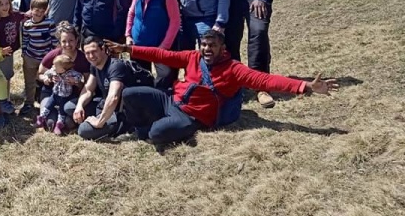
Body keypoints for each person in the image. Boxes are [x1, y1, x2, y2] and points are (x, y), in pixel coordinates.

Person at [105, 30, 337, 150]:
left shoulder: (234, 69)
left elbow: (265, 80)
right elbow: (162, 55)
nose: (207, 49)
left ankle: (156, 129)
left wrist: (304, 86)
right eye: (204, 45)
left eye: (212, 46)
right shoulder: (193, 57)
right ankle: (144, 128)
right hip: (171, 101)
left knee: (157, 135)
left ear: (222, 48)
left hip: (192, 116)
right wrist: (127, 48)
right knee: (129, 94)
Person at [71, 36, 140, 140]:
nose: (91, 56)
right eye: (87, 53)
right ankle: (95, 119)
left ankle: (118, 128)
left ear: (103, 49)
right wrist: (79, 106)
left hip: (119, 112)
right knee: (69, 107)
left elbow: (114, 97)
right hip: (104, 104)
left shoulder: (115, 66)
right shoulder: (94, 65)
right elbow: (88, 89)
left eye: (94, 51)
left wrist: (99, 122)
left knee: (83, 130)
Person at [125, 0, 180, 87]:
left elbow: (175, 22)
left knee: (165, 77)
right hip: (138, 45)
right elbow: (131, 13)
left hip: (159, 46)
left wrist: (164, 46)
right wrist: (128, 35)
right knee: (141, 78)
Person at [37, 22, 90, 129]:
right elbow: (39, 74)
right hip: (51, 93)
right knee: (50, 123)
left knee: (68, 124)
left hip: (70, 95)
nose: (67, 44)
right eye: (64, 41)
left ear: (76, 40)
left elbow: (88, 83)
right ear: (60, 42)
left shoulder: (83, 58)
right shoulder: (54, 55)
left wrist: (77, 83)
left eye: (71, 40)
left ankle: (63, 117)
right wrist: (47, 79)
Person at [20, 0, 59, 114]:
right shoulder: (27, 25)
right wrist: (24, 53)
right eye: (37, 10)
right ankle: (29, 103)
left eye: (42, 11)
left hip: (46, 58)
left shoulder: (49, 23)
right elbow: (25, 40)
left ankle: (49, 102)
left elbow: (54, 40)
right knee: (30, 81)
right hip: (31, 56)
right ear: (31, 9)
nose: (39, 13)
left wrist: (53, 56)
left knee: (47, 79)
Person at [0, 0, 26, 94]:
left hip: (10, 53)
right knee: (0, 77)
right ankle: (0, 100)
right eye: (1, 4)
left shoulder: (14, 15)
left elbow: (26, 15)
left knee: (8, 76)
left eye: (7, 3)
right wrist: (0, 50)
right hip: (0, 54)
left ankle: (7, 99)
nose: (5, 7)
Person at [36, 55, 83, 135]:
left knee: (62, 112)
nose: (53, 66)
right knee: (48, 106)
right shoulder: (54, 71)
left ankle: (59, 125)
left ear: (62, 69)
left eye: (55, 65)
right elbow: (47, 73)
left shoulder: (71, 73)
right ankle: (41, 118)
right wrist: (47, 78)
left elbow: (79, 76)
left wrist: (74, 80)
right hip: (54, 94)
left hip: (65, 97)